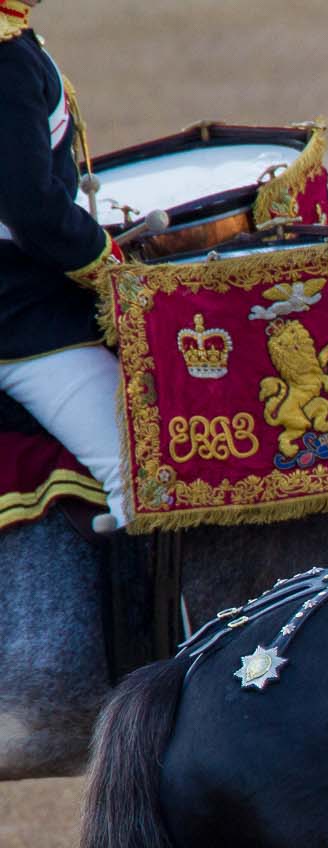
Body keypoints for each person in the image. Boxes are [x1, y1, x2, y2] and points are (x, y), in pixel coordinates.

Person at [0, 0, 128, 528]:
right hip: (22, 319)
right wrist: (107, 263)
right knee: (148, 467)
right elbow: (31, 209)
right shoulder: (6, 61)